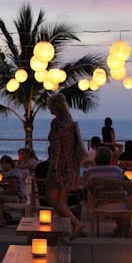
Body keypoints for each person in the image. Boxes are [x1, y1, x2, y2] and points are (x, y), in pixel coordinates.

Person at [46, 93, 85, 237]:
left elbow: (57, 147)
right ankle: (64, 230)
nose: (48, 108)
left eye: (50, 105)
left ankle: (76, 223)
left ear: (54, 107)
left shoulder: (56, 123)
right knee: (61, 200)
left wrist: (54, 168)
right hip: (70, 163)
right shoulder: (69, 120)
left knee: (51, 199)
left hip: (60, 164)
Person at [82, 146, 131, 236]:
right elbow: (125, 184)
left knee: (90, 194)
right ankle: (121, 229)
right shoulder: (118, 170)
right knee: (121, 195)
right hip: (120, 204)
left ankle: (118, 229)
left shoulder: (90, 171)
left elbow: (85, 187)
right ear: (110, 159)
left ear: (96, 158)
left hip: (99, 204)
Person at [0, 155, 28, 226]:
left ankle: (1, 219)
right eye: (1, 164)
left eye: (4, 163)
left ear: (9, 164)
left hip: (20, 198)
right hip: (17, 196)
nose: (3, 166)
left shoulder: (13, 174)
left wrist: (2, 192)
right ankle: (5, 216)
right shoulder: (10, 172)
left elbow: (14, 190)